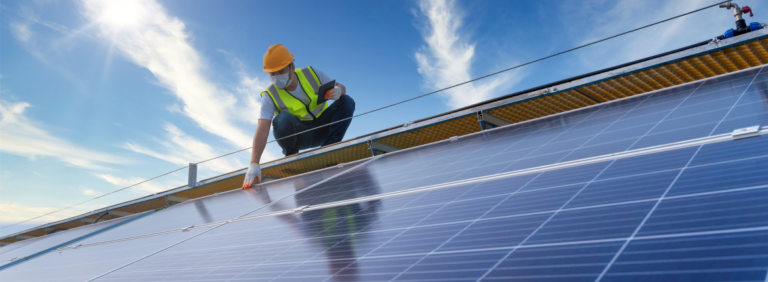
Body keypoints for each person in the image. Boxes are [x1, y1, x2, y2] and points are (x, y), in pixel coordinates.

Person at [242, 44, 355, 189]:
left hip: (324, 128)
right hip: (301, 136)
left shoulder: (311, 73)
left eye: (280, 71)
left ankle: (329, 149)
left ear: (292, 68)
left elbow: (341, 86)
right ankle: (291, 157)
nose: (276, 77)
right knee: (281, 119)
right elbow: (262, 129)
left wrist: (339, 90)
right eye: (272, 74)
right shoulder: (270, 95)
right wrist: (254, 163)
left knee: (346, 100)